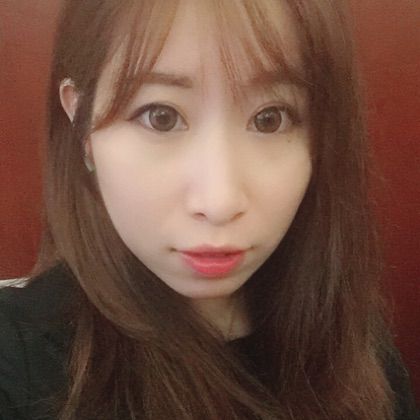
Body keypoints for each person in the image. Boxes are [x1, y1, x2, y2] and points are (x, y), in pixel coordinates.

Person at [0, 0, 419, 419]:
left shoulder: (352, 336)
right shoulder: (19, 360)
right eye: (160, 117)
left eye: (270, 118)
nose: (219, 203)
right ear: (82, 124)